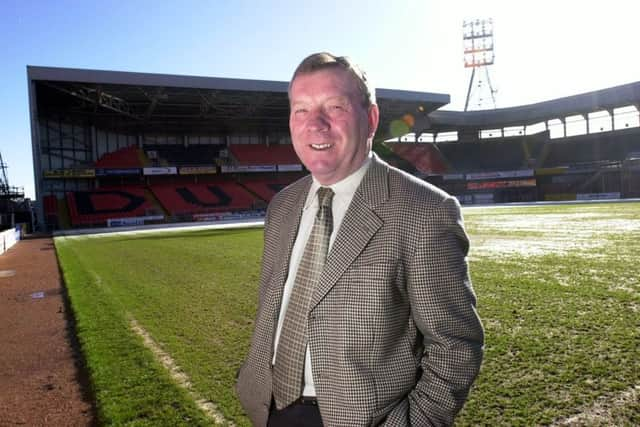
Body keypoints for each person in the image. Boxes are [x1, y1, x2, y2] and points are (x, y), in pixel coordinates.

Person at [236, 52, 484, 427]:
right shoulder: (283, 205)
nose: (314, 124)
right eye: (301, 110)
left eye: (333, 107)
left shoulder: (425, 211)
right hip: (269, 408)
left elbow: (455, 345)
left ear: (370, 119)